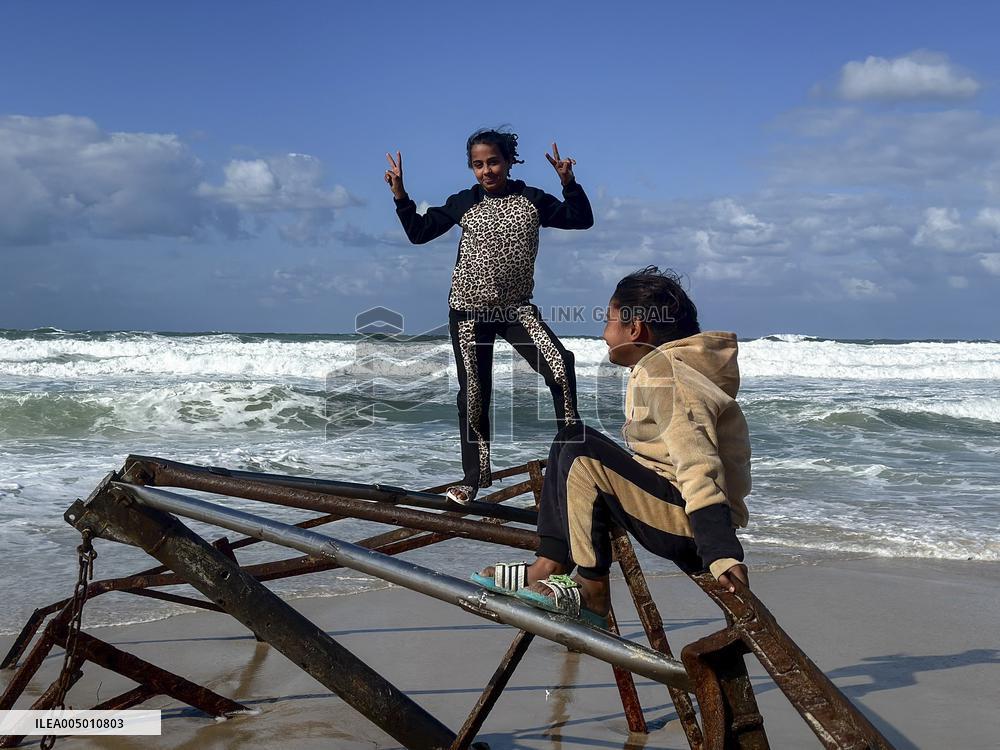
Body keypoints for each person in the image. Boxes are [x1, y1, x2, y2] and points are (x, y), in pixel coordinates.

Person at [473, 267, 751, 626]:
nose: (604, 333)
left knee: (579, 446)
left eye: (609, 320)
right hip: (671, 505)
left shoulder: (666, 374)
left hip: (689, 522)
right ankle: (550, 563)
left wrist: (720, 550)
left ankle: (592, 588)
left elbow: (697, 459)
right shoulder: (667, 367)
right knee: (569, 441)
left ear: (634, 329)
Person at [385, 128, 594, 504]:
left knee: (561, 367)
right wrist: (400, 194)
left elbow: (580, 219)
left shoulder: (533, 198)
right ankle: (473, 479)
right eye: (478, 165)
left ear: (509, 161)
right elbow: (419, 233)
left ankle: (573, 457)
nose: (487, 171)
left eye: (494, 162)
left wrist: (568, 182)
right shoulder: (464, 201)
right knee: (476, 395)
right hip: (468, 313)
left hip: (515, 309)